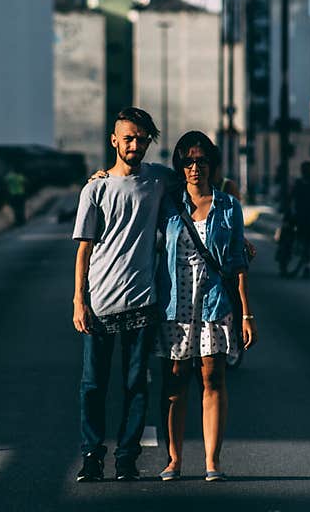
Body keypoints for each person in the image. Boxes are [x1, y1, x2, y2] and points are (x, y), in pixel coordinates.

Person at [71, 107, 172, 483]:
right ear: (114, 140)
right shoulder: (95, 188)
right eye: (128, 138)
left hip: (142, 302)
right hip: (99, 302)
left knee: (135, 386)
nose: (135, 144)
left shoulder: (159, 179)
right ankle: (91, 457)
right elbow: (84, 249)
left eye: (142, 139)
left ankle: (126, 458)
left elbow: (200, 186)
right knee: (93, 386)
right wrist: (79, 299)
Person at [156, 131, 256, 482]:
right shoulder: (169, 203)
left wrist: (246, 313)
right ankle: (174, 460)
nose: (195, 167)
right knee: (176, 381)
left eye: (201, 161)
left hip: (213, 300)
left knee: (212, 378)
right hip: (176, 302)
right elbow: (140, 175)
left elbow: (237, 263)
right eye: (188, 161)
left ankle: (212, 461)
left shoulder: (228, 206)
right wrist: (102, 175)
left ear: (212, 164)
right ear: (180, 166)